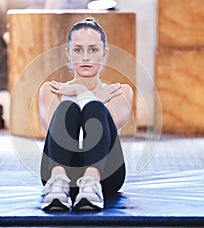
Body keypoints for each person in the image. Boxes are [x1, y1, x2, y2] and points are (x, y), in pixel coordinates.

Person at [39, 17, 133, 211]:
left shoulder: (120, 91)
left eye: (93, 49)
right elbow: (53, 130)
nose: (86, 57)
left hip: (106, 175)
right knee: (66, 109)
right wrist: (88, 93)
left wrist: (81, 93)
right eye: (78, 50)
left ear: (104, 53)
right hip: (61, 167)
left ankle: (91, 184)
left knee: (96, 109)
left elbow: (108, 125)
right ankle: (58, 184)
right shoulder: (51, 89)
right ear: (68, 53)